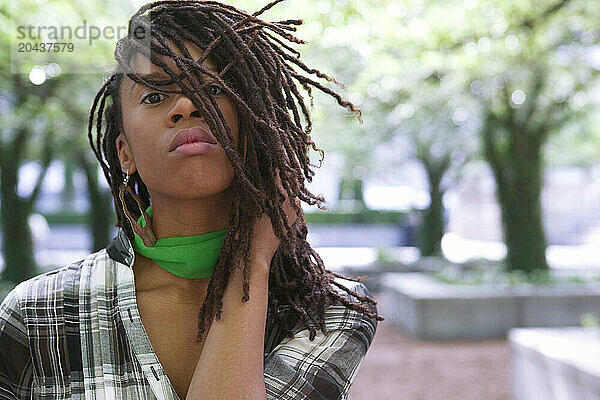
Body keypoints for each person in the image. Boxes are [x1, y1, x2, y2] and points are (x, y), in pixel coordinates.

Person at [0, 1, 382, 399]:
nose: (186, 105)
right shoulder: (36, 315)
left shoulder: (328, 313)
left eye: (213, 88)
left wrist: (251, 263)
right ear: (124, 152)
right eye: (154, 97)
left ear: (256, 121)